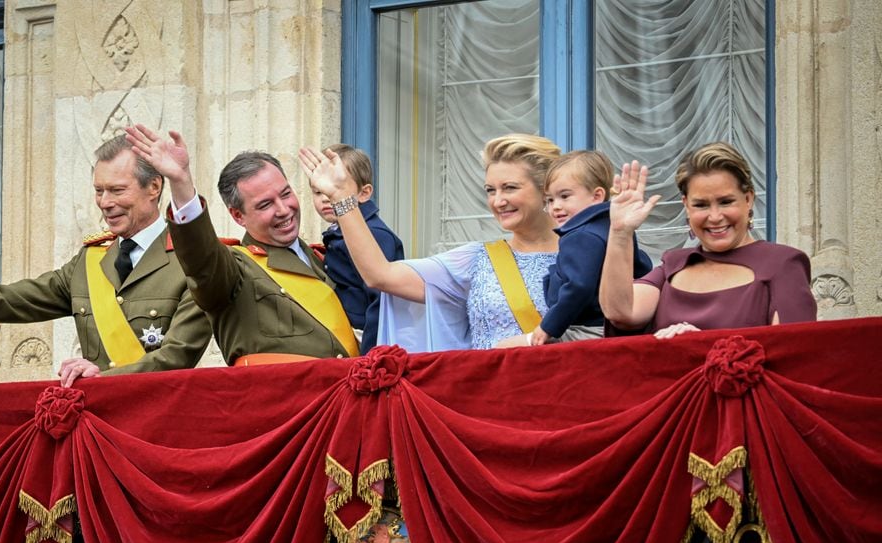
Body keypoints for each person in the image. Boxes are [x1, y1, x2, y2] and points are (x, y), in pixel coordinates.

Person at [0, 135, 212, 386]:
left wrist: (102, 379)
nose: (105, 203)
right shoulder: (90, 261)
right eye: (99, 191)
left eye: (117, 190)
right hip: (97, 429)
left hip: (159, 427)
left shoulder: (191, 260)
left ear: (154, 187)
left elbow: (176, 356)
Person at [123, 125, 359, 366]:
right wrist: (182, 183)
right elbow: (202, 260)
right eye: (265, 205)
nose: (283, 209)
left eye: (286, 194)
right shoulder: (235, 269)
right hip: (282, 401)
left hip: (343, 396)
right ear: (238, 216)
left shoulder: (325, 258)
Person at [299, 134, 561, 352]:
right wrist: (342, 197)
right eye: (491, 190)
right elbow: (381, 275)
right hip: (489, 403)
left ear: (545, 189)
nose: (498, 200)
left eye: (511, 187)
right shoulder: (476, 261)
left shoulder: (586, 254)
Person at [599, 142, 817, 338]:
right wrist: (620, 232)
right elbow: (620, 312)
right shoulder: (673, 265)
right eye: (701, 205)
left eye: (725, 202)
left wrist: (705, 346)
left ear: (748, 199)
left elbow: (792, 354)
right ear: (686, 205)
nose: (714, 217)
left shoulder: (783, 264)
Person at [525, 150, 653, 345]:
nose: (555, 206)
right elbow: (643, 267)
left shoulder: (579, 236)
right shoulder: (614, 227)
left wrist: (548, 326)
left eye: (565, 196)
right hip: (617, 330)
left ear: (597, 196)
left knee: (505, 347)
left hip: (588, 329)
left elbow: (578, 286)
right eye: (550, 200)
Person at [311, 144, 404, 353]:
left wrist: (370, 355)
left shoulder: (376, 235)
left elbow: (383, 301)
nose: (326, 197)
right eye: (318, 191)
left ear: (364, 193)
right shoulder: (337, 232)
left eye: (335, 189)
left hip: (367, 339)